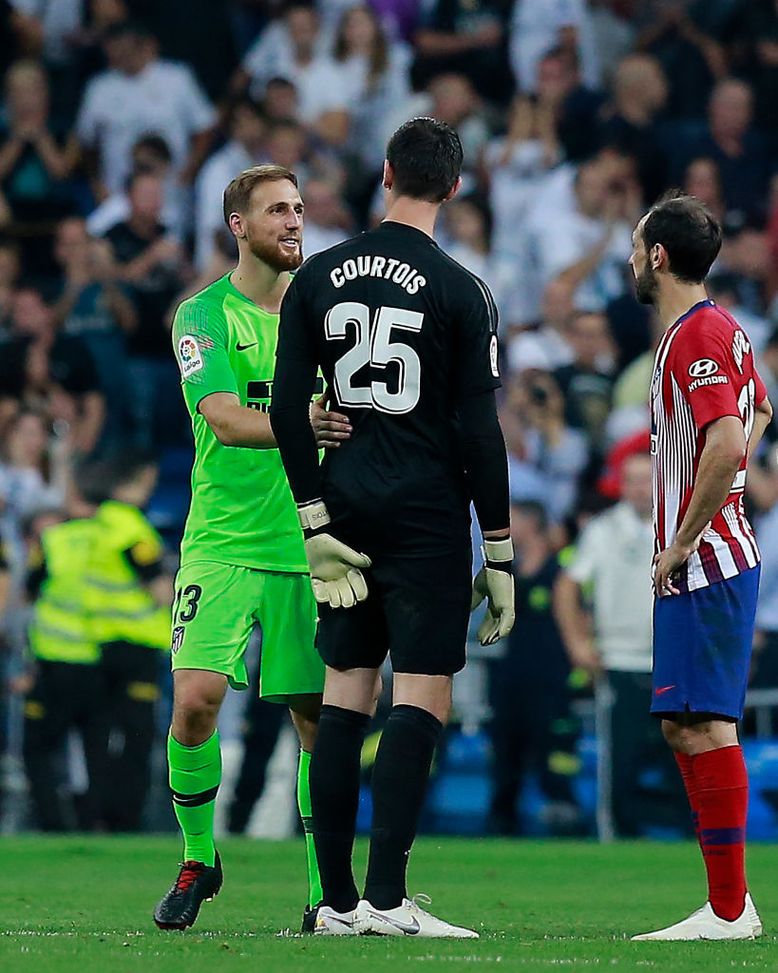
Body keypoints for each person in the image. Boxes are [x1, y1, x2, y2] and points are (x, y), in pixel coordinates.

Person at [270, 117, 514, 938]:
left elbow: (290, 417)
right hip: (426, 516)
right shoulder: (459, 287)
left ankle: (334, 904)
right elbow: (481, 434)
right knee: (421, 693)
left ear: (384, 174)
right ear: (454, 186)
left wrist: (311, 520)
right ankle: (385, 898)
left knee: (345, 692)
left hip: (342, 509)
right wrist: (502, 548)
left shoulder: (318, 275)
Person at [152, 164, 349, 932]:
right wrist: (307, 423)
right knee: (195, 703)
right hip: (222, 544)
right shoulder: (202, 316)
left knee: (314, 720)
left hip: (310, 545)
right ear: (239, 225)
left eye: (299, 208)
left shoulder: (325, 317)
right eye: (277, 211)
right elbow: (230, 420)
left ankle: (320, 893)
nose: (294, 221)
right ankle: (200, 855)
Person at [628, 190, 772, 941]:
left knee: (706, 724)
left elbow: (725, 440)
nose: (630, 257)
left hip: (708, 561)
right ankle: (727, 904)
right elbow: (760, 415)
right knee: (687, 725)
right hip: (713, 559)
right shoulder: (721, 330)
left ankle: (728, 910)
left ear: (658, 255)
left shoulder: (695, 335)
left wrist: (683, 538)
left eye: (634, 244)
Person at [554, 452, 689, 838]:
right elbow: (568, 585)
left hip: (672, 662)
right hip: (620, 660)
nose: (639, 488)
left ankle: (692, 846)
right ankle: (619, 838)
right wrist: (578, 643)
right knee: (621, 764)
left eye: (647, 480)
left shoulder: (680, 527)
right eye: (631, 480)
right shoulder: (604, 529)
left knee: (682, 761)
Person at [84, 452, 172, 832]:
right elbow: (160, 590)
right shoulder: (132, 528)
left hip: (97, 642)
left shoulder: (94, 525)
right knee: (137, 735)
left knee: (100, 735)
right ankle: (126, 818)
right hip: (136, 644)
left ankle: (95, 814)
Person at [488, 501, 582, 837]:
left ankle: (565, 819)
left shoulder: (562, 568)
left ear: (531, 523)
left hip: (552, 676)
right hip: (512, 675)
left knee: (554, 753)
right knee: (505, 754)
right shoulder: (507, 572)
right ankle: (501, 821)